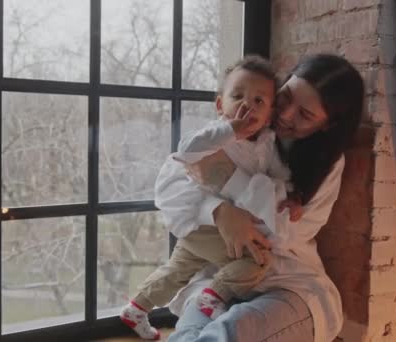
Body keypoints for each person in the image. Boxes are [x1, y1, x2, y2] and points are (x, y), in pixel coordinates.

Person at [162, 54, 365, 342]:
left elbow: (282, 233)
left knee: (231, 331)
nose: (285, 114)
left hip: (286, 281)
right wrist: (219, 212)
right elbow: (171, 187)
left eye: (305, 115)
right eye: (285, 97)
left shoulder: (327, 165)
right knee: (192, 332)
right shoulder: (235, 125)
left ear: (327, 125)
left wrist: (227, 178)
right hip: (221, 274)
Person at [119, 55, 303, 340]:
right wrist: (229, 131)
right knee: (257, 259)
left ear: (269, 114)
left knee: (176, 271)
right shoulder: (214, 133)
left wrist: (292, 195)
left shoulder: (267, 143)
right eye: (237, 96)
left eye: (258, 101)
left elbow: (279, 175)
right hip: (202, 222)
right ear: (220, 105)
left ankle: (136, 308)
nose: (246, 106)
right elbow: (187, 150)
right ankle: (212, 297)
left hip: (205, 230)